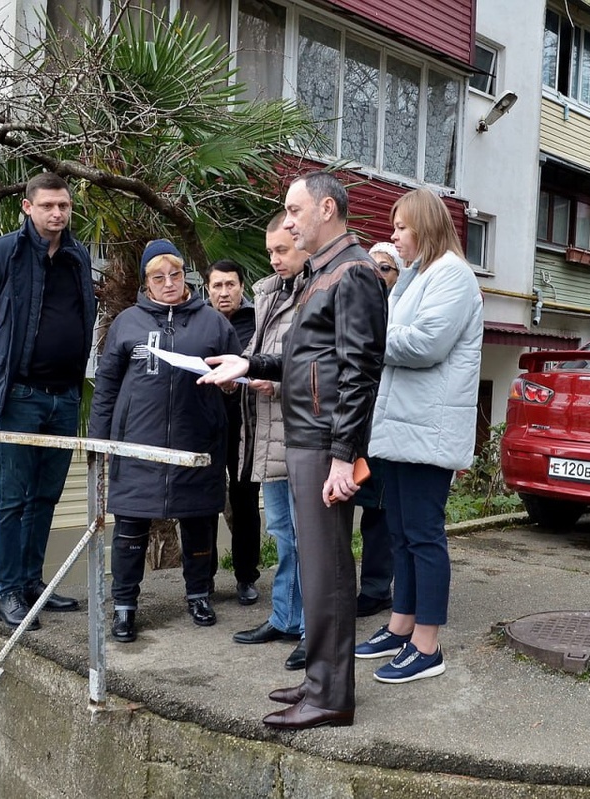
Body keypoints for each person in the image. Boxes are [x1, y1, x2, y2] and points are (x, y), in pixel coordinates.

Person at [200, 172, 387, 730]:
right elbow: (307, 360)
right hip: (308, 436)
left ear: (326, 209)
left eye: (294, 210)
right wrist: (249, 362)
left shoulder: (354, 272)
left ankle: (331, 696)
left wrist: (343, 454)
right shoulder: (321, 273)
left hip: (324, 442)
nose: (287, 221)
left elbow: (359, 372)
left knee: (328, 569)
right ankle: (318, 679)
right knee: (316, 564)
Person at [354, 189, 483, 683]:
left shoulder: (453, 274)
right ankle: (401, 625)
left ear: (425, 227)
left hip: (429, 431)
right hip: (404, 427)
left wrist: (366, 339)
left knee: (424, 536)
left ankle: (427, 645)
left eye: (401, 227)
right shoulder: (416, 275)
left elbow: (427, 344)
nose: (393, 237)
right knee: (401, 533)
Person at [0, 172, 96, 630]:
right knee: (13, 496)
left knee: (46, 495)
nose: (57, 213)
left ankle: (33, 584)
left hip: (65, 397)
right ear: (28, 207)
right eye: (48, 205)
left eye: (64, 205)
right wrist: (3, 368)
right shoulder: (0, 254)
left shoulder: (77, 257)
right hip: (20, 396)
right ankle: (10, 591)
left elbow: (84, 315)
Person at [88, 240, 240, 639]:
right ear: (146, 282)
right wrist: (100, 442)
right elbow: (106, 385)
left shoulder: (213, 323)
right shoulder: (128, 323)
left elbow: (236, 375)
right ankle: (124, 606)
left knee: (199, 522)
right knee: (130, 526)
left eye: (175, 274)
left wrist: (229, 386)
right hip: (138, 444)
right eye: (159, 277)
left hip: (197, 440)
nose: (169, 283)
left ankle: (199, 595)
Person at [231, 214, 308, 670]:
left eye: (282, 250)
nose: (274, 259)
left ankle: (314, 630)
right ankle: (285, 617)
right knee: (282, 533)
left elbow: (319, 364)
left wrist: (273, 381)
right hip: (268, 431)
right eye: (270, 252)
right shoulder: (267, 292)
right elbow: (258, 352)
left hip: (302, 433)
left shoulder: (318, 292)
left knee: (309, 538)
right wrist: (234, 369)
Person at [354, 241, 406, 618]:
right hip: (356, 423)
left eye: (385, 268)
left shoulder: (401, 309)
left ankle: (376, 589)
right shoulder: (356, 306)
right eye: (370, 267)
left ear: (399, 275)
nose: (377, 274)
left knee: (380, 512)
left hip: (389, 421)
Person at [206, 259, 262, 606]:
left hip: (246, 424)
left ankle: (246, 576)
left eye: (230, 285)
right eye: (217, 286)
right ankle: (203, 579)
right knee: (203, 502)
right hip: (205, 425)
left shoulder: (257, 321)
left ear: (242, 286)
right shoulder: (198, 321)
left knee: (244, 502)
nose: (224, 292)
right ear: (207, 289)